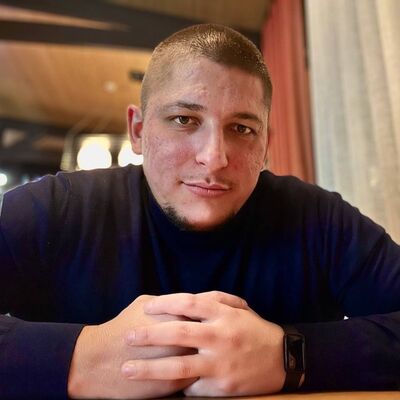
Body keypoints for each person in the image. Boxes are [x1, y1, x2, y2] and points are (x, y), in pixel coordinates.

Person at [0, 23, 399, 399]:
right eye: (184, 120)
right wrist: (81, 359)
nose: (214, 157)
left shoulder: (318, 220)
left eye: (241, 128)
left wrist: (291, 356)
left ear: (265, 145)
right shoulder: (56, 209)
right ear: (138, 130)